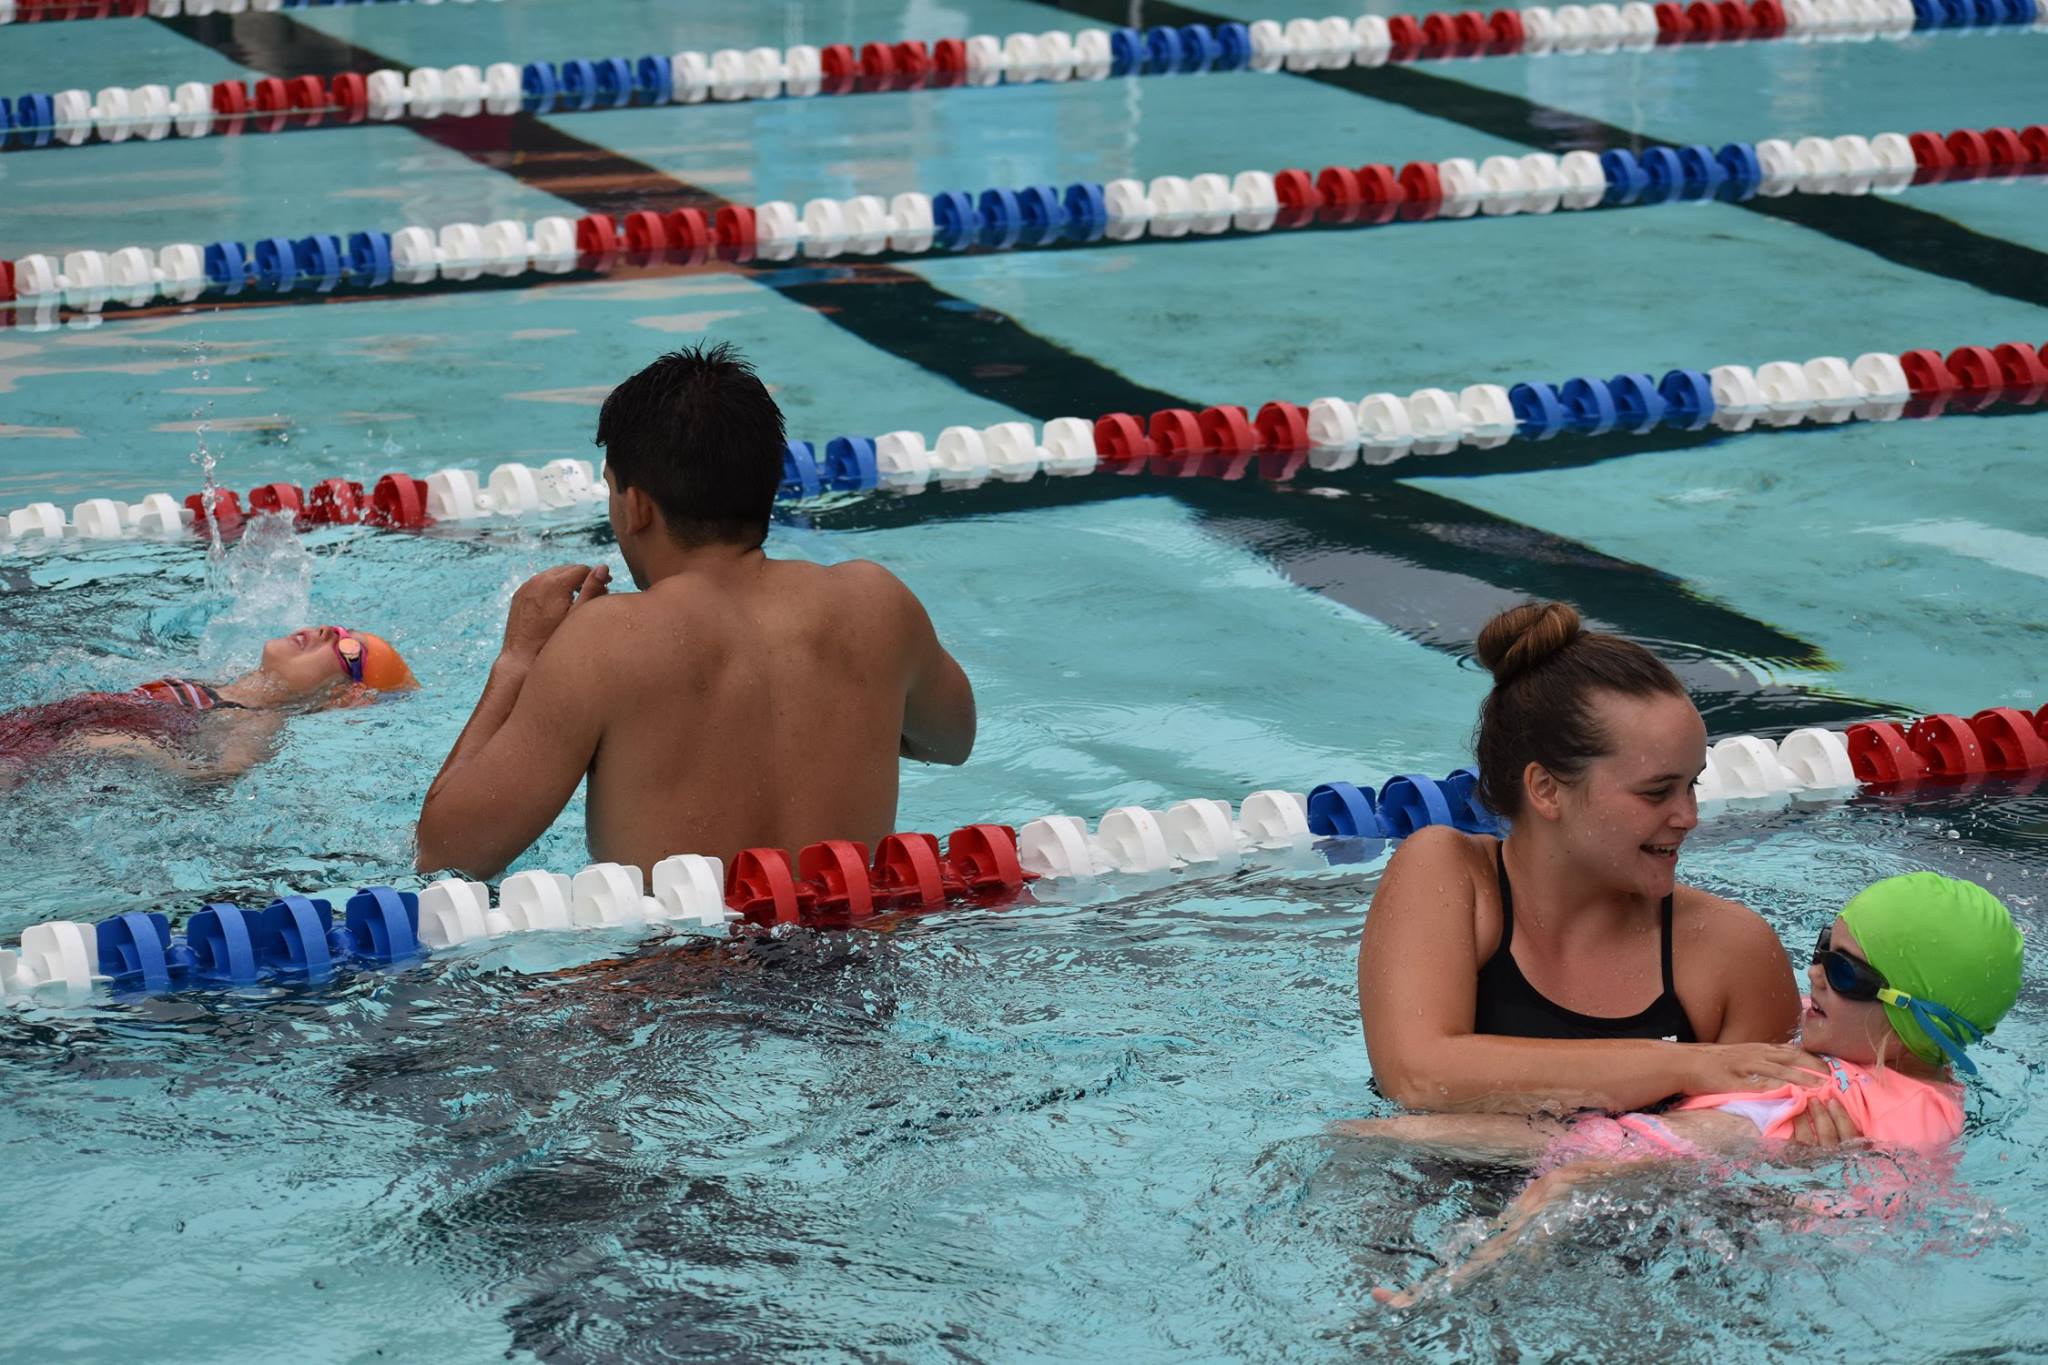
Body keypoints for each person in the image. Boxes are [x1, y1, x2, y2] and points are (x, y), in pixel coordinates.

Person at [414, 342, 976, 882]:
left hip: (677, 972)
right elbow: (951, 742)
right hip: (853, 965)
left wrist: (519, 659)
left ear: (636, 506)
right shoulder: (876, 605)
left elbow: (447, 856)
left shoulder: (608, 640)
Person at [1350, 873, 2024, 1304]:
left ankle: (1440, 1292)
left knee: (1561, 1180)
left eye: (1845, 975)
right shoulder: (1897, 1074)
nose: (1816, 973)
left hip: (1675, 1174)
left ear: (1911, 1020)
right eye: (1822, 946)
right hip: (1655, 1157)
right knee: (1379, 1136)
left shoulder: (1861, 1099)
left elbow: (1750, 1152)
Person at [1357, 600, 1851, 1136]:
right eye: (1656, 791)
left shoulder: (1731, 953)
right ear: (1547, 790)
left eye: (1693, 784)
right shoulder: (1449, 874)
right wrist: (1687, 1065)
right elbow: (1419, 1075)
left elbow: (1746, 1167)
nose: (1688, 817)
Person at [0, 624, 417, 780]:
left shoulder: (259, 720)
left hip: (37, 762)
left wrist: (135, 747)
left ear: (345, 696)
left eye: (348, 649)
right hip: (29, 733)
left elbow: (217, 775)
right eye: (340, 626)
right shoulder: (216, 685)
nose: (329, 630)